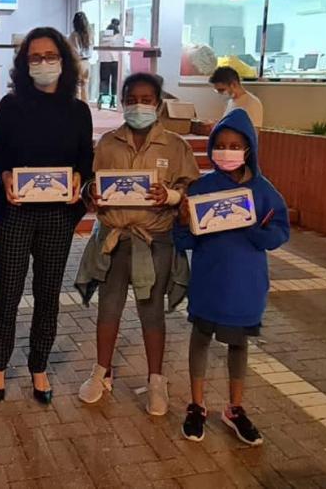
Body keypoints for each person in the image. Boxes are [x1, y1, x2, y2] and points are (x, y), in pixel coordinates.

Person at [75, 73, 199, 416]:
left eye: (146, 100)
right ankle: (102, 371)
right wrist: (91, 193)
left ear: (158, 104)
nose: (138, 106)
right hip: (113, 239)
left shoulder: (175, 146)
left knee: (151, 310)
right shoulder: (108, 143)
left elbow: (191, 191)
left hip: (155, 241)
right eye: (131, 100)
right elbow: (90, 183)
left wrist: (171, 195)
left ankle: (156, 379)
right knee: (108, 307)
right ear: (122, 102)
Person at [0, 27, 93, 404]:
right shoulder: (10, 106)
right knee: (7, 292)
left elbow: (85, 160)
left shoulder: (79, 111)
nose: (43, 62)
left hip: (58, 217)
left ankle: (39, 366)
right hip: (17, 213)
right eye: (35, 57)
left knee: (48, 295)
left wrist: (79, 178)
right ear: (24, 63)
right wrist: (4, 177)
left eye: (50, 56)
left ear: (64, 61)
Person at [173, 108, 289, 446]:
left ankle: (235, 408)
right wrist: (183, 222)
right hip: (208, 282)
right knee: (200, 338)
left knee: (239, 343)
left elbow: (279, 232)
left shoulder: (263, 192)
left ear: (248, 148)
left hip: (245, 285)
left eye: (235, 146)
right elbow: (185, 241)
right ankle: (196, 405)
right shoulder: (201, 188)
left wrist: (253, 228)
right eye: (220, 145)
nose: (227, 151)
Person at [69, 12, 94, 103]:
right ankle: (86, 107)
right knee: (85, 88)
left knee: (77, 89)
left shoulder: (74, 35)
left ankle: (77, 108)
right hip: (87, 63)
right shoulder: (89, 35)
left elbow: (74, 51)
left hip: (78, 63)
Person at [98, 19, 123, 108]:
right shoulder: (118, 36)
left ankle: (102, 99)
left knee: (104, 80)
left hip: (104, 60)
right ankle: (113, 100)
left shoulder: (103, 35)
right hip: (114, 60)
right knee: (114, 81)